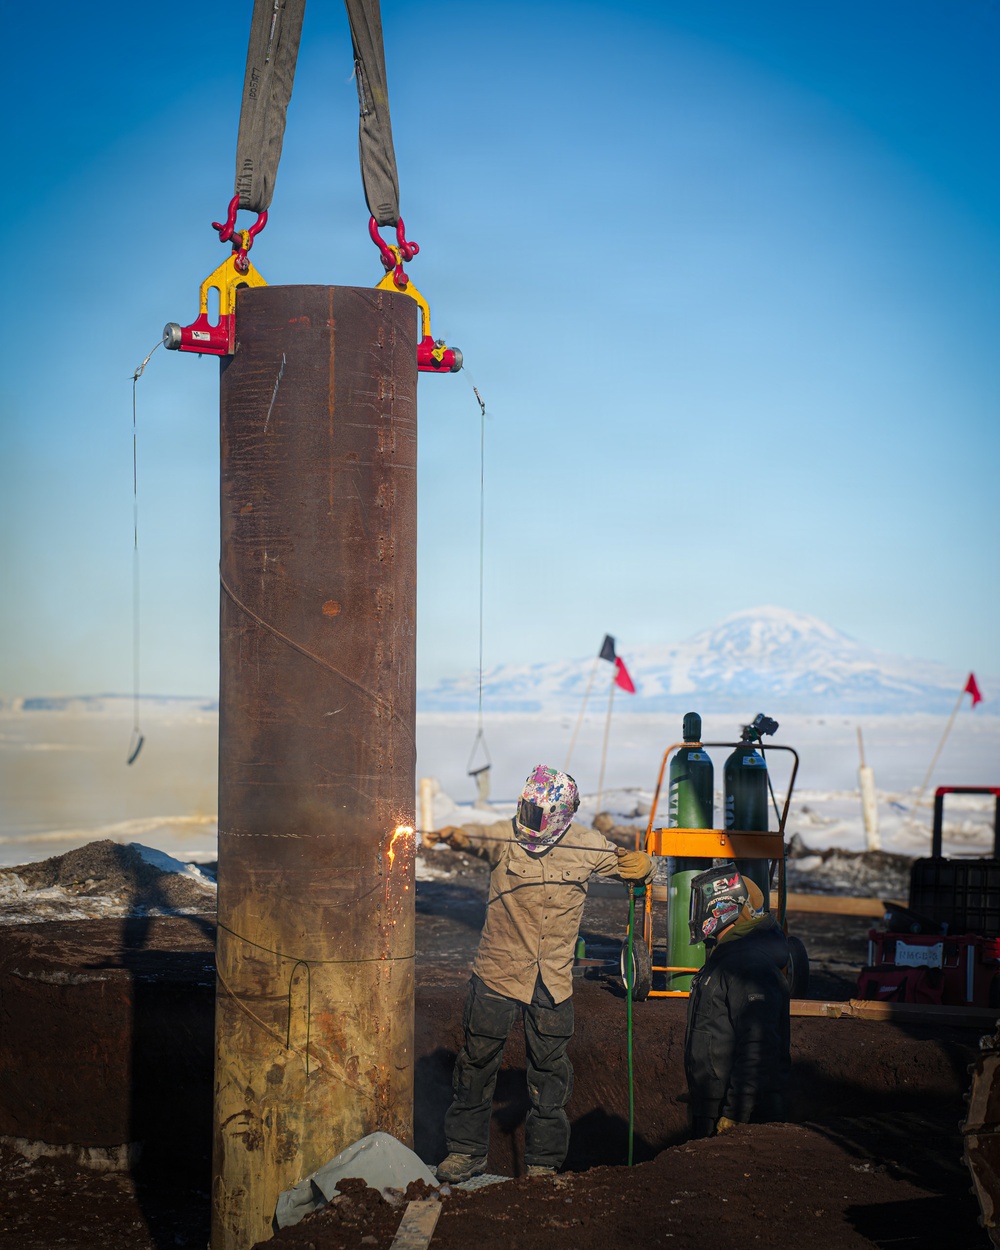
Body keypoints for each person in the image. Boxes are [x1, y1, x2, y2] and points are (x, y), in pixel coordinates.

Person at [423, 764, 653, 1182]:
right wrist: (457, 836)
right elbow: (478, 836)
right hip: (496, 975)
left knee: (550, 1075)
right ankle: (466, 1153)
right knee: (475, 1065)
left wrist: (644, 865)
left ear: (560, 816)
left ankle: (543, 1164)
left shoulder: (587, 845)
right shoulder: (505, 837)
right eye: (525, 809)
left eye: (536, 813)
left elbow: (636, 868)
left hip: (552, 982)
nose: (526, 819)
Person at [683, 862, 791, 1138]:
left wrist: (735, 1113)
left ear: (724, 907)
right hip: (712, 1104)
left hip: (740, 1113)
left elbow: (758, 1045)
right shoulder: (729, 957)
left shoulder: (749, 966)